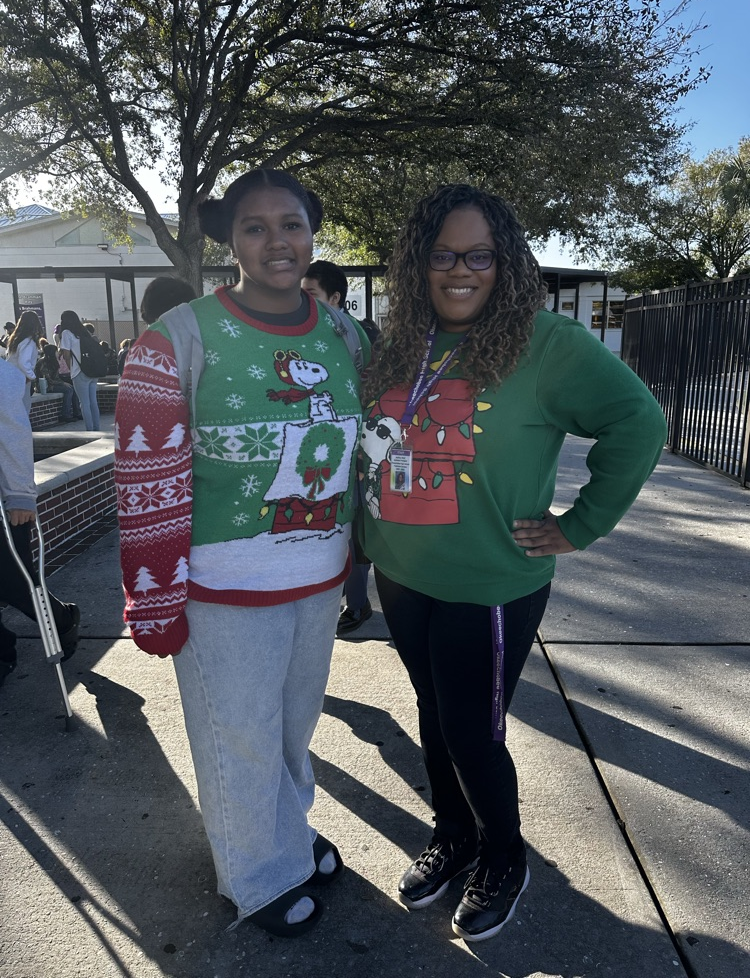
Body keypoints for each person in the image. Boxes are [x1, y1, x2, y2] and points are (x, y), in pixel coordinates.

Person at [359, 184, 667, 943]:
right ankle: (454, 834)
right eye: (442, 254)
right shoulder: (400, 339)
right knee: (434, 716)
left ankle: (503, 854)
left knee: (472, 729)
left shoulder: (545, 343)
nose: (459, 269)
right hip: (399, 568)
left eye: (479, 255)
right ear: (417, 262)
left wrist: (582, 524)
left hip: (490, 581)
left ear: (506, 263)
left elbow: (640, 421)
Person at [114, 168, 370, 937]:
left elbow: (361, 451)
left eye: (290, 224)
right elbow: (144, 473)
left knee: (292, 728)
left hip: (319, 577)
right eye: (254, 228)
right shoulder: (178, 338)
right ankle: (255, 877)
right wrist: (154, 593)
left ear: (312, 233)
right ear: (232, 241)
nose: (276, 242)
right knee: (239, 735)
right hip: (221, 588)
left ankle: (281, 835)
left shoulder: (342, 334)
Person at [302, 260, 379, 635]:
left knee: (355, 528)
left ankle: (359, 603)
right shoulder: (300, 335)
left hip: (354, 452)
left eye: (310, 295)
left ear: (335, 298)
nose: (302, 303)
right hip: (320, 452)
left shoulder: (353, 335)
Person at [0, 358, 80, 687]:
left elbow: (12, 431)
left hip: (5, 500)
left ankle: (61, 619)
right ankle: (3, 650)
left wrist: (20, 494)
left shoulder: (4, 374)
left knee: (14, 578)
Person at [59, 309, 101, 430]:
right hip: (92, 372)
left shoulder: (67, 333)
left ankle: (89, 430)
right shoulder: (84, 331)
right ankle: (97, 428)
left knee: (84, 403)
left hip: (79, 371)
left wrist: (71, 368)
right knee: (93, 402)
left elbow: (66, 355)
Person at [6, 310, 43, 412]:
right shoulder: (29, 341)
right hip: (22, 377)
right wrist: (31, 376)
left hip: (11, 376)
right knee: (24, 408)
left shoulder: (16, 339)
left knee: (14, 408)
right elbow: (23, 362)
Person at [36, 339, 75, 422]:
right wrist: (62, 383)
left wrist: (63, 383)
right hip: (44, 386)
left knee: (71, 387)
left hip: (53, 384)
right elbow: (48, 379)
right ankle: (65, 415)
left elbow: (56, 377)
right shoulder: (43, 362)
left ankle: (76, 412)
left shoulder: (54, 361)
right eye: (56, 351)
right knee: (68, 390)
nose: (58, 353)